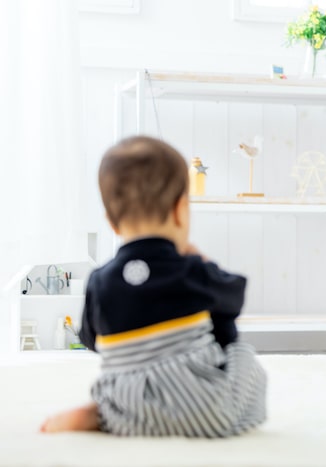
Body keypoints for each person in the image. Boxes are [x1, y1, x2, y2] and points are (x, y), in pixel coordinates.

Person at [41, 136, 267, 436]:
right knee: (243, 353)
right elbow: (234, 297)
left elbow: (89, 338)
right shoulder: (192, 270)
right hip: (208, 410)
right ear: (180, 210)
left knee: (117, 371)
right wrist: (204, 262)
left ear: (112, 222)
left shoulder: (99, 279)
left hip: (128, 402)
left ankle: (103, 415)